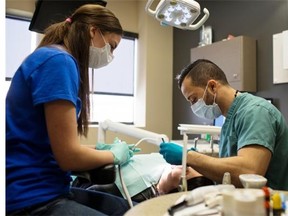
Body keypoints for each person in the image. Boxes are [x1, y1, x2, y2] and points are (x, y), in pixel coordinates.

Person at [6, 4, 134, 216]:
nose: (111, 55)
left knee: (121, 207)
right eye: (111, 46)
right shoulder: (59, 62)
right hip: (29, 197)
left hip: (48, 187)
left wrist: (98, 149)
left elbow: (49, 143)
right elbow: (68, 157)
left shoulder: (53, 57)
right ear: (93, 31)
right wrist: (113, 155)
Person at [159, 59, 288, 190]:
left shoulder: (255, 112)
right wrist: (198, 164)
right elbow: (230, 169)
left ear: (212, 86)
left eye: (193, 99)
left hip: (269, 204)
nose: (194, 106)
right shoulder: (231, 117)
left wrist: (188, 156)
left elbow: (250, 172)